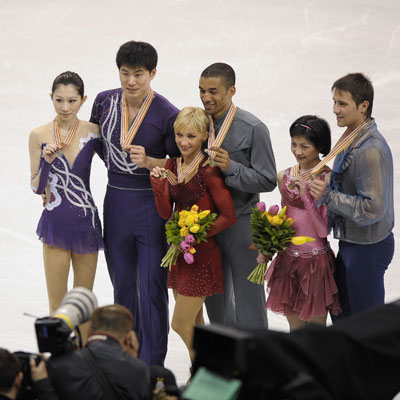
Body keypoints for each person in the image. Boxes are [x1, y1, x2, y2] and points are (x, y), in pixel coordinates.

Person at [90, 40, 180, 366]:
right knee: (123, 285)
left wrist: (150, 161)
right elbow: (97, 143)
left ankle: (152, 365)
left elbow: (179, 166)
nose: (130, 81)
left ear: (153, 73)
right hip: (115, 200)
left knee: (152, 288)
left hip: (151, 206)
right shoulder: (103, 102)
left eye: (138, 74)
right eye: (125, 73)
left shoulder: (167, 113)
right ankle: (123, 358)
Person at [150, 107, 236, 362]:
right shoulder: (170, 165)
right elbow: (166, 213)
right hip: (177, 255)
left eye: (190, 136)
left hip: (201, 256)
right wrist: (158, 189)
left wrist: (195, 235)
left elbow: (228, 216)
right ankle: (197, 372)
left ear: (203, 137)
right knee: (195, 324)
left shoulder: (208, 170)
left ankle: (211, 367)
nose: (183, 142)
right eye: (179, 135)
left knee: (179, 323)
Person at [309, 73, 395, 320]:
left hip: (367, 248)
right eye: (334, 102)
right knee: (343, 317)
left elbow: (372, 208)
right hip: (353, 243)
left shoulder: (370, 151)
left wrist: (329, 195)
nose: (335, 110)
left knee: (366, 326)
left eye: (342, 104)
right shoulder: (353, 135)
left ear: (364, 106)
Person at [198, 63, 276, 329]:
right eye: (201, 91)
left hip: (242, 225)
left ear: (231, 90)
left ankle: (256, 366)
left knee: (249, 302)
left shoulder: (253, 128)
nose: (206, 97)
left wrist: (232, 167)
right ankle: (224, 361)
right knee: (214, 300)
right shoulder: (197, 123)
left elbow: (267, 179)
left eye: (213, 91)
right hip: (206, 224)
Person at [28, 72, 103, 321]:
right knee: (57, 307)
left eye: (72, 101)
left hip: (86, 223)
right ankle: (58, 358)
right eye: (59, 100)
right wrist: (46, 162)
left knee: (83, 308)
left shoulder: (94, 132)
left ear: (83, 100)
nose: (65, 107)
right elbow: (37, 187)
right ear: (51, 98)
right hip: (55, 224)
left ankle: (82, 359)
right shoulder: (39, 135)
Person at [260, 115, 340, 331]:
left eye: (304, 146)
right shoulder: (283, 177)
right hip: (287, 263)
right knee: (296, 334)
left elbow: (323, 229)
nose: (297, 151)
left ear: (320, 147)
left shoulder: (327, 179)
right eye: (294, 144)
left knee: (316, 335)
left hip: (315, 266)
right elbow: (282, 220)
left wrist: (306, 195)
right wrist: (268, 245)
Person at [48, 304, 152, 400]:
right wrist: (134, 358)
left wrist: (41, 381)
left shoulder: (60, 364)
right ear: (130, 337)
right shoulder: (139, 371)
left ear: (89, 331)